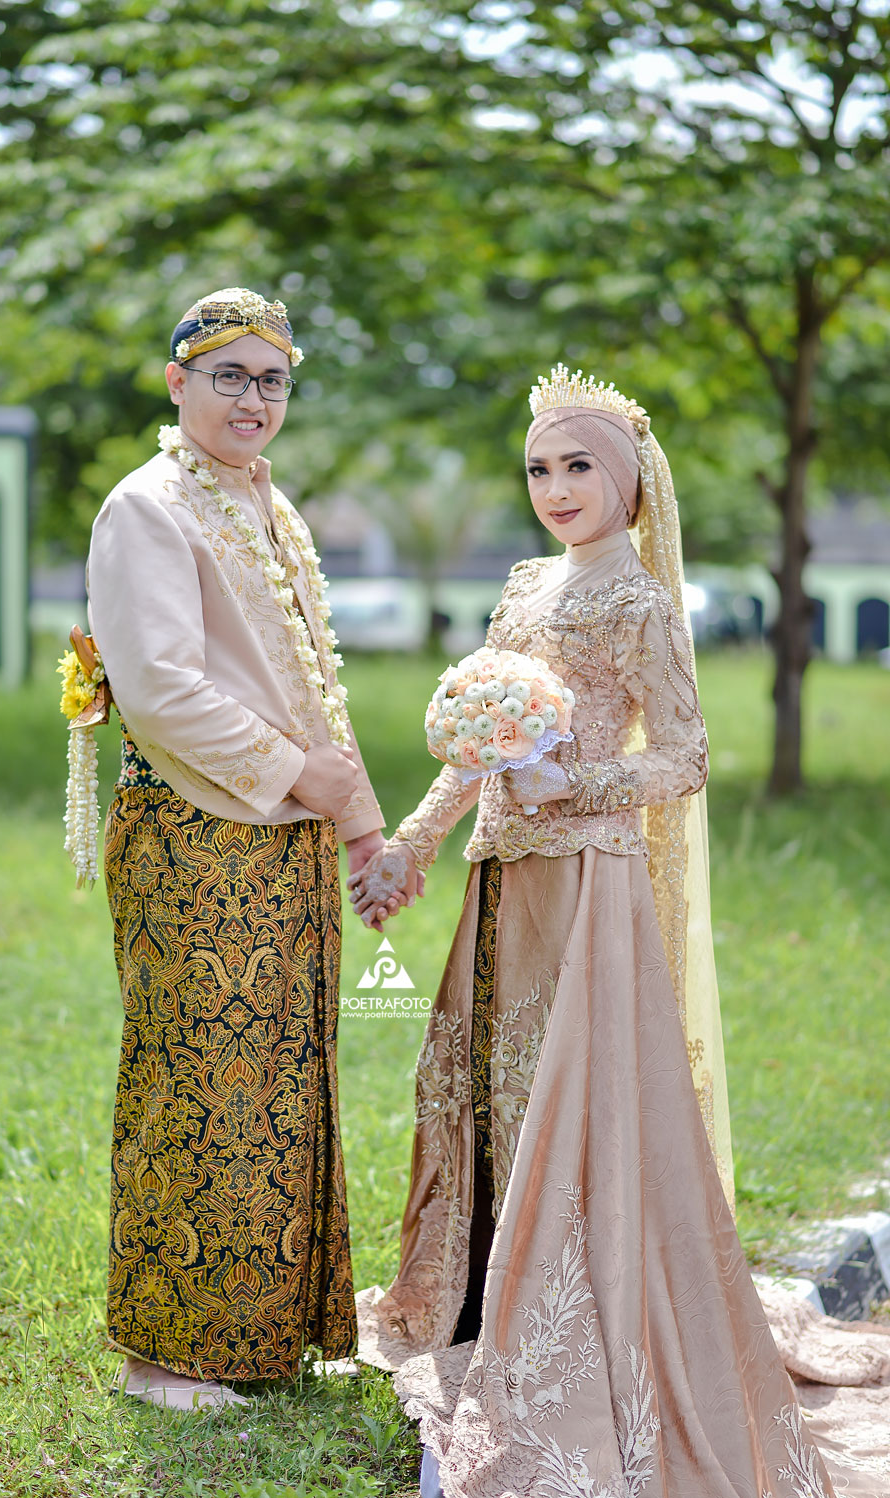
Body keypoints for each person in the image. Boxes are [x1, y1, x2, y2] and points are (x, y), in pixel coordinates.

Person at [348, 367, 889, 1494]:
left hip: (587, 882)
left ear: (630, 481)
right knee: (481, 1080)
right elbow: (474, 750)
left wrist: (572, 779)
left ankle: (569, 1309)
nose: (555, 486)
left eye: (578, 464)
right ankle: (472, 1287)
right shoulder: (523, 583)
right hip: (503, 876)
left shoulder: (640, 602)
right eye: (539, 467)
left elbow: (684, 757)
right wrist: (411, 843)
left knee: (568, 1096)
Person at [86, 287, 385, 1410]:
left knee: (279, 1083)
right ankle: (166, 1353)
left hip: (285, 840)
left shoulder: (272, 504)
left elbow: (314, 680)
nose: (251, 398)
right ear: (177, 384)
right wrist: (296, 775)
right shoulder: (147, 507)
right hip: (195, 833)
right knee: (197, 1080)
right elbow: (159, 690)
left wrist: (354, 819)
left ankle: (263, 1336)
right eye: (227, 376)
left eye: (271, 379)